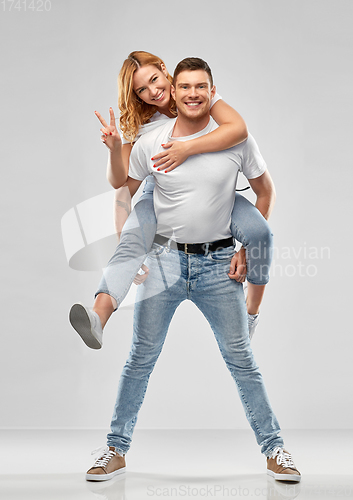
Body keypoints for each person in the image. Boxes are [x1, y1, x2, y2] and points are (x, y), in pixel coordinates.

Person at [85, 57, 301, 483]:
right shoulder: (151, 139)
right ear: (174, 88)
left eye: (199, 87)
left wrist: (242, 246)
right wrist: (130, 242)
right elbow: (123, 193)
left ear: (211, 90)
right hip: (165, 260)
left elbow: (262, 187)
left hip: (218, 265)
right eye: (183, 88)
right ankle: (114, 447)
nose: (188, 94)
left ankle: (276, 449)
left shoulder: (234, 136)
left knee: (242, 360)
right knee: (139, 360)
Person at [69, 51, 274, 349]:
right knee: (132, 240)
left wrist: (186, 148)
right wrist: (115, 151)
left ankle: (250, 315)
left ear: (165, 71)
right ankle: (98, 317)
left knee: (260, 233)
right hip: (161, 194)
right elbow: (121, 186)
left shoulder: (194, 94)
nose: (153, 92)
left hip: (215, 190)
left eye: (154, 79)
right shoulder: (144, 128)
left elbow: (238, 129)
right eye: (142, 89)